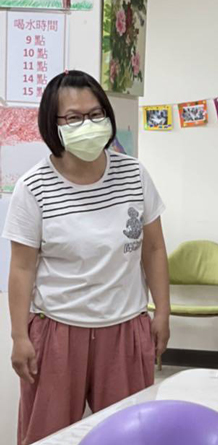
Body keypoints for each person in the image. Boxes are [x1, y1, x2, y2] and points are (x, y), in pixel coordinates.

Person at [4, 70, 170, 445]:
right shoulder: (33, 187)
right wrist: (18, 336)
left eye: (96, 114)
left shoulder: (134, 174)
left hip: (125, 327)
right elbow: (21, 267)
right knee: (47, 436)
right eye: (74, 117)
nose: (88, 125)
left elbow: (154, 248)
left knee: (130, 435)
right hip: (57, 331)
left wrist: (162, 310)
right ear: (53, 124)